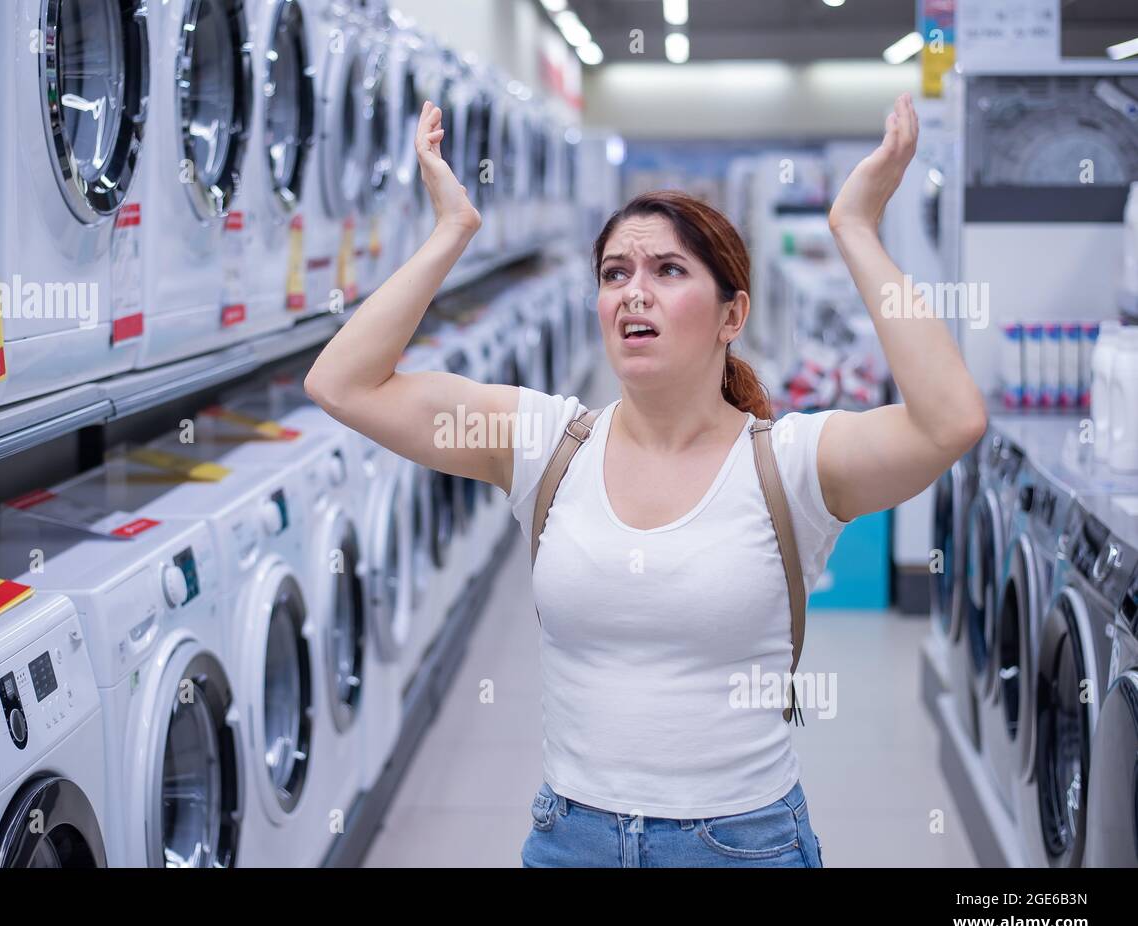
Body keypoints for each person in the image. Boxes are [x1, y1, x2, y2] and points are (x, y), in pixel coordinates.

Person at [304, 94, 987, 867]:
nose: (634, 291)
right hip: (570, 837)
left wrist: (856, 228)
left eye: (668, 270)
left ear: (733, 316)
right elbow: (343, 384)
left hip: (740, 843)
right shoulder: (543, 442)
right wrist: (451, 232)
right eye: (615, 272)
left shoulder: (790, 464)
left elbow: (949, 421)